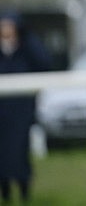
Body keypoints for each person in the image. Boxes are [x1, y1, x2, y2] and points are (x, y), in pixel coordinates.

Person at [0, 11, 51, 204]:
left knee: (21, 153)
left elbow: (44, 63)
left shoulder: (26, 48)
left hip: (21, 112)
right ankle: (5, 194)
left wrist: (27, 39)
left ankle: (24, 193)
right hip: (1, 114)